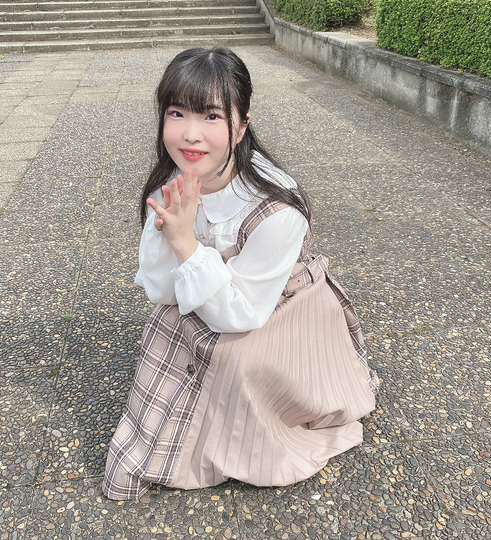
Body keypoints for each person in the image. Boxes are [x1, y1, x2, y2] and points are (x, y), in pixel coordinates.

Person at [103, 47, 380, 501]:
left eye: (212, 116)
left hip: (280, 308)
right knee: (167, 324)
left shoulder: (277, 209)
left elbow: (243, 312)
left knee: (234, 358)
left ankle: (250, 431)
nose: (191, 134)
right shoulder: (175, 181)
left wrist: (185, 243)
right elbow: (159, 289)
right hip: (226, 298)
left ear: (242, 124)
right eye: (177, 113)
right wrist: (176, 238)